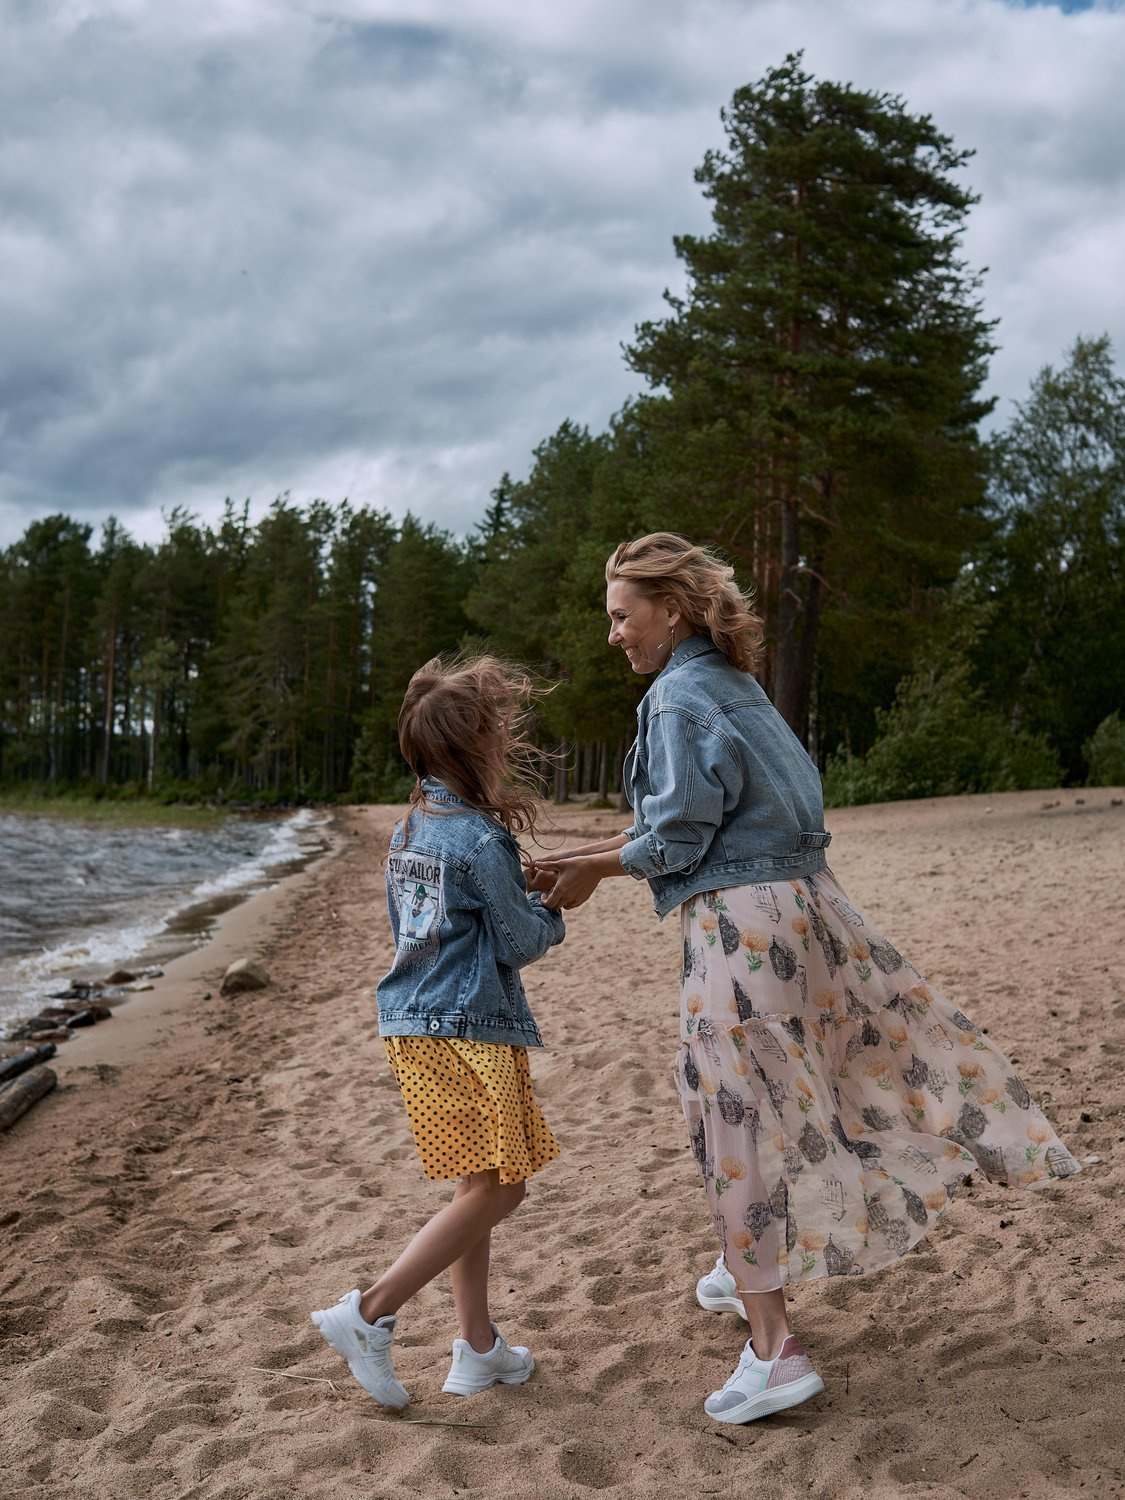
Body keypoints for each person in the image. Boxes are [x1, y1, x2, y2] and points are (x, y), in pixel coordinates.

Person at [534, 532, 1080, 1426]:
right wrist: (589, 856)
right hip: (809, 909)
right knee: (823, 1078)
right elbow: (721, 823)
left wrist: (597, 868)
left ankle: (773, 1349)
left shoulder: (675, 699)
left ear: (669, 612)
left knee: (731, 1115)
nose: (612, 635)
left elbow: (676, 839)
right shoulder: (735, 688)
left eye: (620, 616)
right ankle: (739, 1259)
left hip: (738, 928)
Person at [312, 654, 564, 1410]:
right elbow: (517, 943)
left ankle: (478, 1347)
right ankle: (369, 1310)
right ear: (473, 746)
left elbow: (430, 925)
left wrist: (512, 894)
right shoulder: (481, 839)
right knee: (505, 1187)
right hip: (471, 1027)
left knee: (475, 1183)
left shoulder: (409, 826)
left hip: (409, 1025)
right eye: (496, 731)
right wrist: (555, 907)